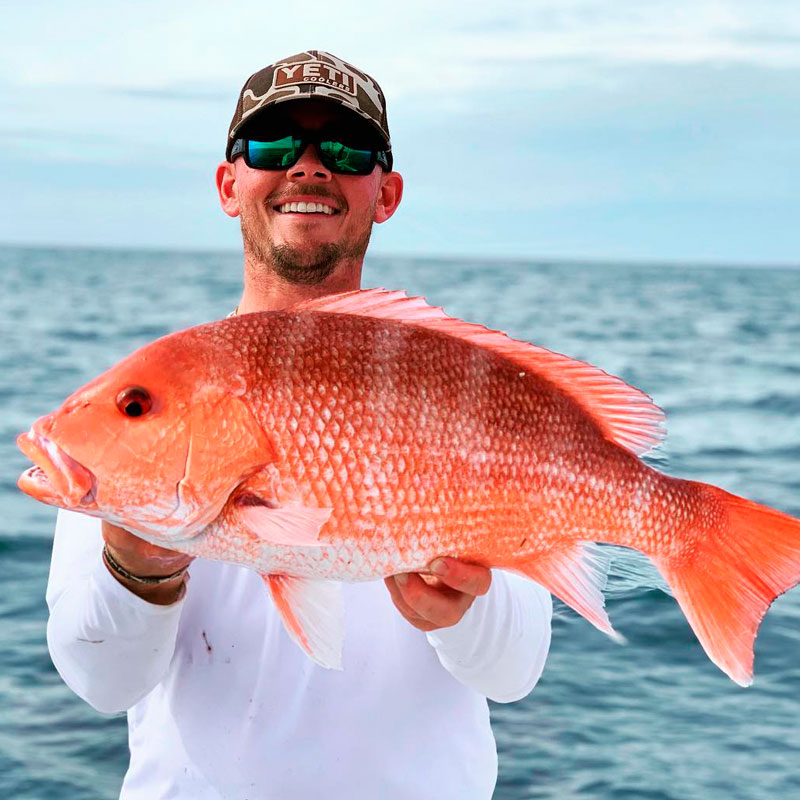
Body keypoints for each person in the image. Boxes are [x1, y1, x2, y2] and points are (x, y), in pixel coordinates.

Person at [46, 50, 553, 799]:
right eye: (273, 146)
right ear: (230, 184)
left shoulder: (459, 387)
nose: (308, 168)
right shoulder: (150, 397)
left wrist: (458, 612)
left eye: (346, 151)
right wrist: (139, 571)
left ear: (386, 193)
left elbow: (513, 673)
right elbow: (100, 684)